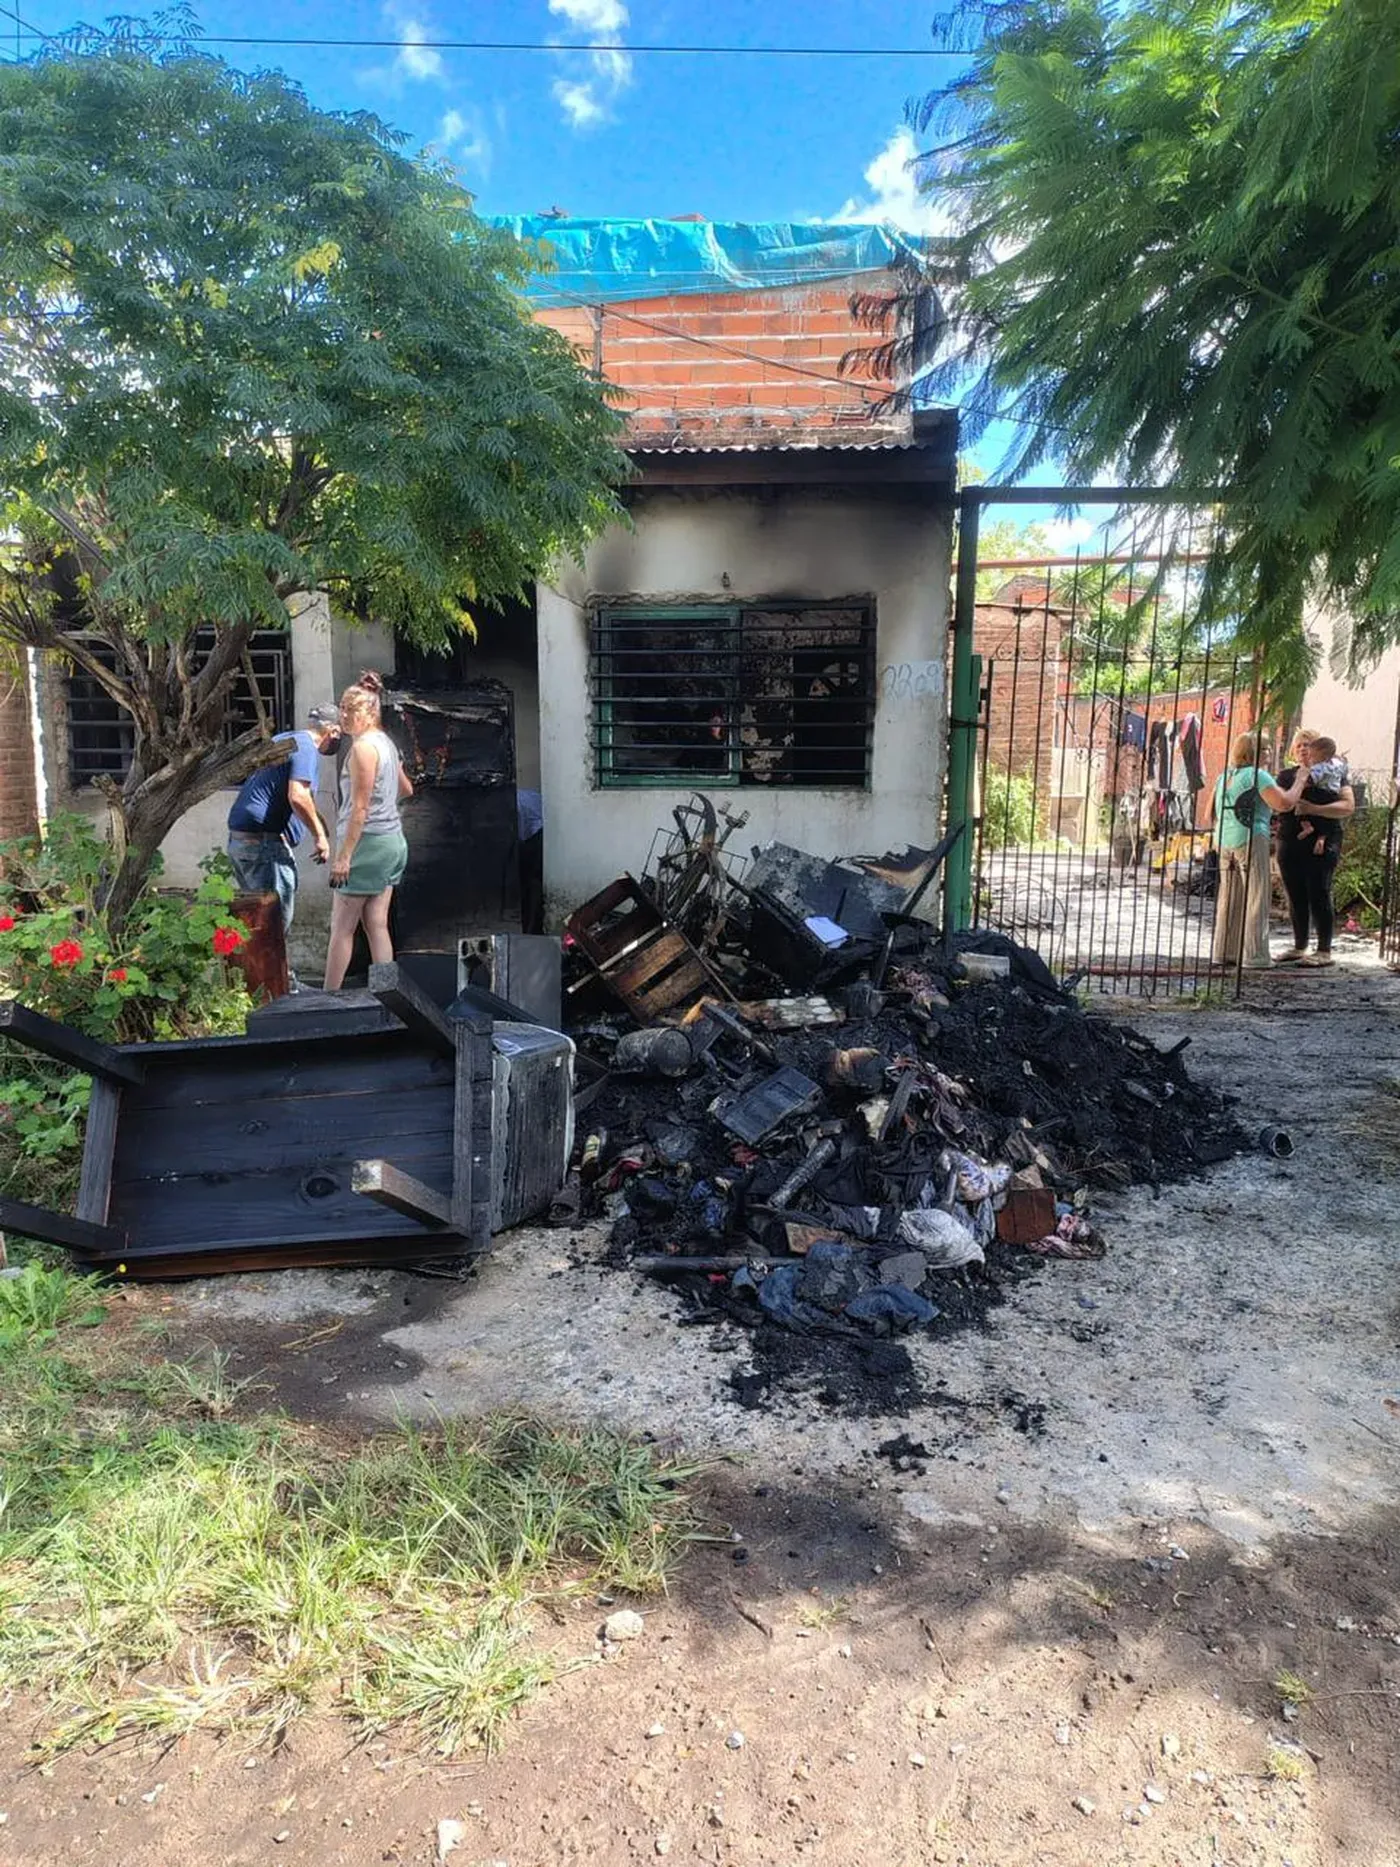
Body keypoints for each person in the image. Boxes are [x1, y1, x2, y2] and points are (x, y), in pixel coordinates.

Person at [323, 671, 413, 992]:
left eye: (352, 710)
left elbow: (360, 808)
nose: (345, 716)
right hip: (392, 841)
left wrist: (344, 857)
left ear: (370, 712)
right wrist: (384, 801)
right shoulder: (387, 743)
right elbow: (406, 789)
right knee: (376, 924)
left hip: (366, 844)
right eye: (343, 709)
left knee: (342, 929)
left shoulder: (362, 748)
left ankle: (327, 998)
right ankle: (390, 997)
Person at [226, 703, 341, 950]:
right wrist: (319, 836)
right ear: (332, 732)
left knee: (258, 921)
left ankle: (262, 982)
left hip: (243, 841)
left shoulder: (285, 739)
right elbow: (298, 795)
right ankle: (275, 984)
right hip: (262, 847)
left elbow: (272, 789)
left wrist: (311, 821)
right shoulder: (306, 749)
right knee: (273, 922)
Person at [1209, 732, 1308, 970]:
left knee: (1229, 898)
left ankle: (1224, 951)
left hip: (1224, 840)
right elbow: (1284, 803)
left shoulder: (1225, 776)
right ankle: (1255, 955)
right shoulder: (1258, 776)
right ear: (1254, 753)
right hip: (1251, 837)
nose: (1270, 753)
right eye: (1266, 749)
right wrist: (1301, 780)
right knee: (1256, 896)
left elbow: (1208, 813)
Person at [1274, 728, 1355, 968]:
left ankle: (1324, 950)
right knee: (1295, 893)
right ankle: (1300, 946)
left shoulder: (1334, 772)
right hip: (1290, 839)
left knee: (1320, 891)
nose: (1303, 748)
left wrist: (1313, 809)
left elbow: (1348, 806)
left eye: (1308, 744)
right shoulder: (1286, 776)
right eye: (1299, 744)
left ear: (1318, 749)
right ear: (1292, 750)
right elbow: (1283, 804)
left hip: (1323, 840)